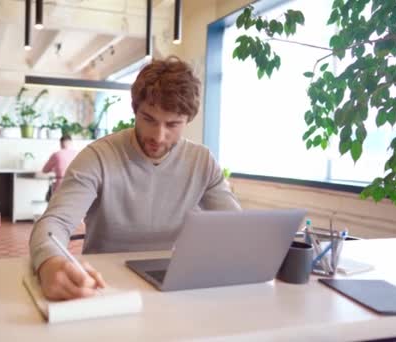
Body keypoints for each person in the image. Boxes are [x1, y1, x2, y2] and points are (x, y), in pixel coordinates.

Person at [29, 56, 241, 300]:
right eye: (148, 119)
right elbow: (54, 223)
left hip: (170, 283)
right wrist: (50, 263)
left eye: (172, 124)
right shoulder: (97, 157)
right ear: (135, 110)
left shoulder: (202, 162)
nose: (158, 136)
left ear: (187, 120)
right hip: (104, 284)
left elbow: (235, 226)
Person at [42, 134, 78, 198]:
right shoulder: (77, 154)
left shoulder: (56, 155)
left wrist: (54, 169)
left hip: (60, 188)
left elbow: (45, 170)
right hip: (75, 187)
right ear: (71, 143)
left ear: (60, 143)